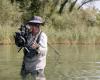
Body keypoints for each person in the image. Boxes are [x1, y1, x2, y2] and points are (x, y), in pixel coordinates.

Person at [20, 16, 48, 80]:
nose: (31, 27)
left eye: (33, 25)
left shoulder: (42, 36)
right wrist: (20, 41)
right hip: (26, 65)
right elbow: (21, 45)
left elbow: (44, 51)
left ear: (38, 26)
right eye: (31, 24)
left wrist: (38, 47)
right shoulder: (27, 34)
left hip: (37, 66)